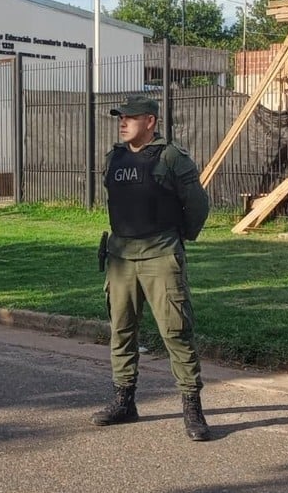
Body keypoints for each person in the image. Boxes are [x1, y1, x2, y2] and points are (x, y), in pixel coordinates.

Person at [91, 94, 212, 441]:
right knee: (121, 330)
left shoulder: (171, 157)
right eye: (120, 117)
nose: (122, 122)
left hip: (160, 255)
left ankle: (192, 408)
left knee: (176, 331)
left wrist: (178, 238)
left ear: (150, 121)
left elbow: (198, 206)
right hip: (120, 257)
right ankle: (124, 401)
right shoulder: (113, 157)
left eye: (130, 117)